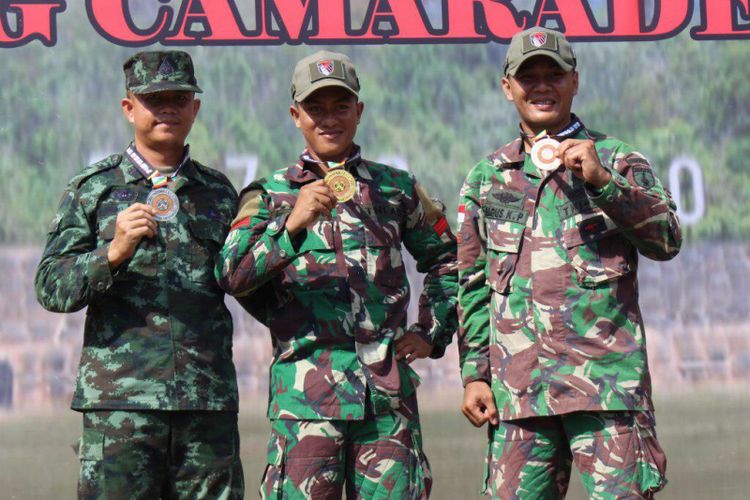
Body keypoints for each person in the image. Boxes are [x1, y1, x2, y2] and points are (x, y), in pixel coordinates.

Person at [216, 50, 457, 499]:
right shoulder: (269, 194)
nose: (329, 118)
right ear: (295, 115)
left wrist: (432, 331)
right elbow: (232, 274)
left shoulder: (397, 189)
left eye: (340, 106)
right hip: (306, 402)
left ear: (358, 112)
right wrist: (291, 225)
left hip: (386, 403)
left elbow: (450, 261)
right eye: (316, 108)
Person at [457, 27, 682, 499]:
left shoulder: (618, 159)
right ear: (507, 88)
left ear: (574, 82)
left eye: (553, 75)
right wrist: (475, 374)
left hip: (605, 392)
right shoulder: (486, 178)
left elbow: (667, 240)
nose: (541, 86)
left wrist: (603, 181)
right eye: (528, 76)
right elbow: (473, 285)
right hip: (520, 398)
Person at [34, 51, 243, 499]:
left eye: (178, 98)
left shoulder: (221, 194)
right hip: (121, 407)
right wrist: (112, 253)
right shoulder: (94, 189)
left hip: (204, 406)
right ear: (129, 108)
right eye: (154, 99)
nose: (167, 107)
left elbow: (247, 279)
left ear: (195, 108)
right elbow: (51, 286)